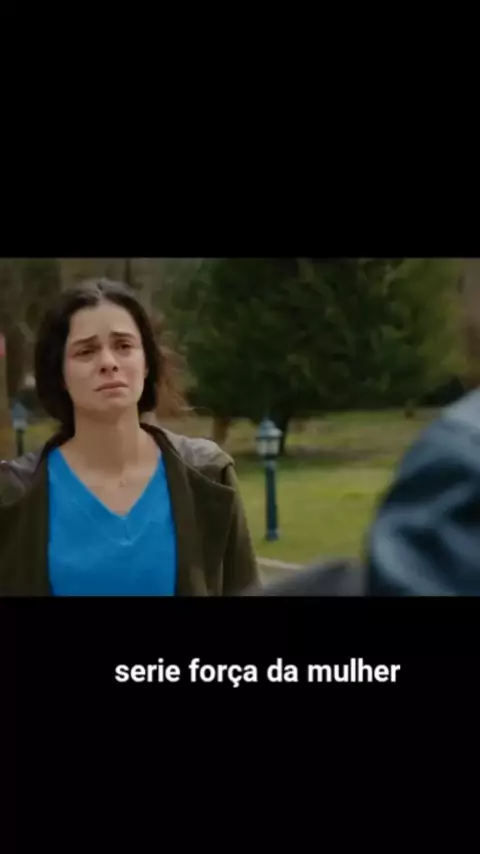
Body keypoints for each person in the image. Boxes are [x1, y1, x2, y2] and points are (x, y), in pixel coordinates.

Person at [0, 278, 259, 596]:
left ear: (146, 362)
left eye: (123, 346)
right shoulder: (13, 494)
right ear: (60, 374)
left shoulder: (207, 474)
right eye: (86, 351)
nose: (108, 363)